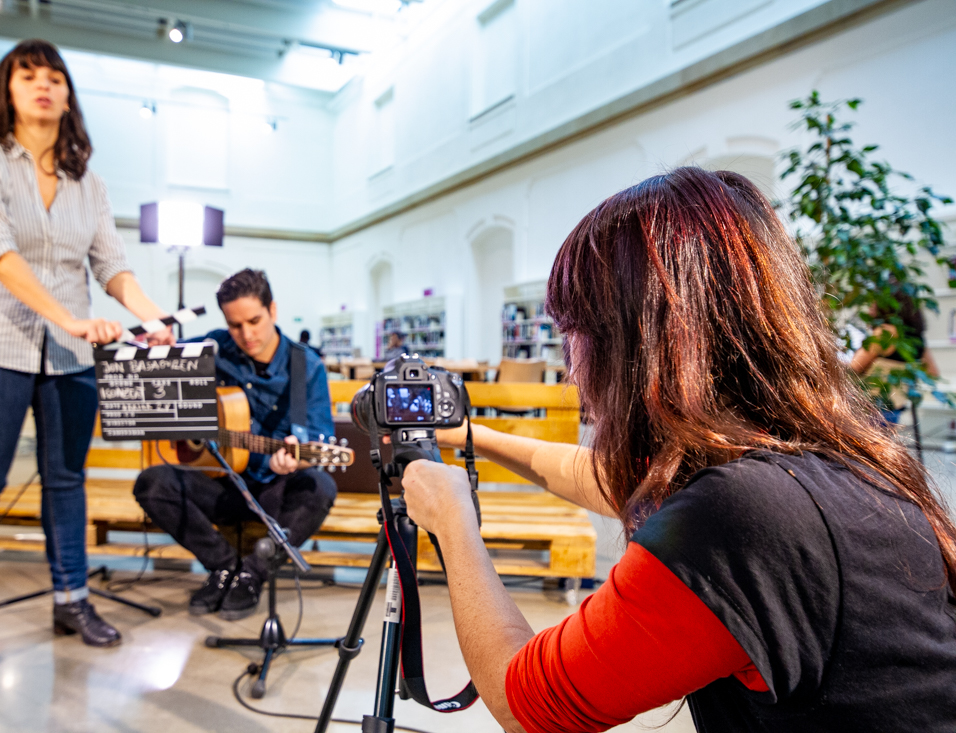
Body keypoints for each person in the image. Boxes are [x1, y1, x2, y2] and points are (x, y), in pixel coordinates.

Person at [400, 168, 956, 732]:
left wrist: (453, 522)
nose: (572, 363)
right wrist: (476, 438)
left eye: (576, 332)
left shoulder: (741, 515)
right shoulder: (826, 464)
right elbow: (605, 477)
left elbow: (526, 705)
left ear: (630, 342)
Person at [0, 40, 175, 680]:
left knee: (65, 481)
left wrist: (153, 318)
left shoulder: (87, 182)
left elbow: (111, 265)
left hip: (70, 355)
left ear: (67, 94)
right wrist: (68, 315)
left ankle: (73, 602)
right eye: (28, 75)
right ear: (7, 89)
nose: (43, 85)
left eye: (54, 77)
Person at [133, 269, 337, 619]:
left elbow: (318, 439)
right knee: (152, 484)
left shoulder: (306, 365)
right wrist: (160, 353)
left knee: (320, 486)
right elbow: (158, 381)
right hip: (220, 484)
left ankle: (252, 575)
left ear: (272, 310)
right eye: (235, 325)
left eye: (254, 320)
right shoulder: (213, 348)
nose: (246, 334)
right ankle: (223, 567)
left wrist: (296, 458)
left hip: (273, 492)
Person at [849, 290, 940, 422]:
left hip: (868, 409)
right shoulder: (917, 340)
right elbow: (933, 373)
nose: (870, 309)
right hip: (894, 409)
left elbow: (852, 369)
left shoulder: (884, 334)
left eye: (873, 304)